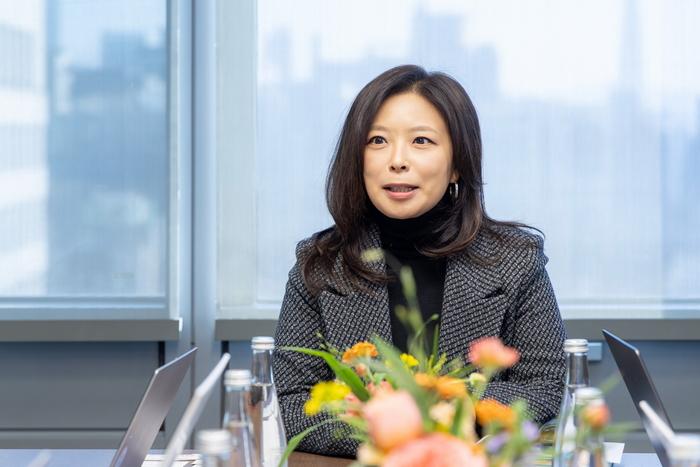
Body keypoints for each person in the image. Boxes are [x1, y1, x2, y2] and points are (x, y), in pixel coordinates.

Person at [273, 64, 566, 457]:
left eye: (421, 141)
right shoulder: (320, 265)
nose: (397, 160)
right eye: (377, 140)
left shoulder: (515, 260)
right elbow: (292, 404)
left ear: (457, 163)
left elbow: (544, 387)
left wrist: (442, 409)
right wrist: (398, 432)